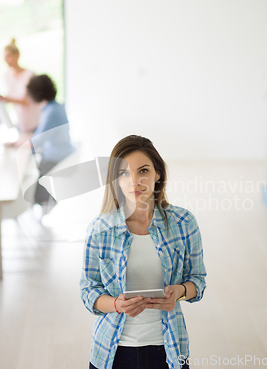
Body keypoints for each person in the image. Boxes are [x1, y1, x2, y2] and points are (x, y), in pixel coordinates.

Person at [80, 135, 207, 369]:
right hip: (112, 352)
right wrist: (117, 305)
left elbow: (197, 281)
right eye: (124, 173)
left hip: (168, 349)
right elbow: (88, 291)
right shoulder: (100, 229)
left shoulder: (184, 222)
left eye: (143, 171)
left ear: (158, 173)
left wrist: (178, 293)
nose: (135, 181)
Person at [23, 74, 75, 210]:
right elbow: (42, 133)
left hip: (56, 159)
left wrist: (18, 143)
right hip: (64, 154)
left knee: (28, 179)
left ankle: (41, 205)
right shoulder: (55, 106)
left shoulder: (50, 112)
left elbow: (36, 142)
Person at [0, 38, 41, 138]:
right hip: (21, 122)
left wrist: (7, 99)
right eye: (4, 57)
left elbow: (27, 101)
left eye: (8, 56)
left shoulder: (29, 75)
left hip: (34, 121)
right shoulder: (7, 75)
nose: (6, 60)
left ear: (17, 55)